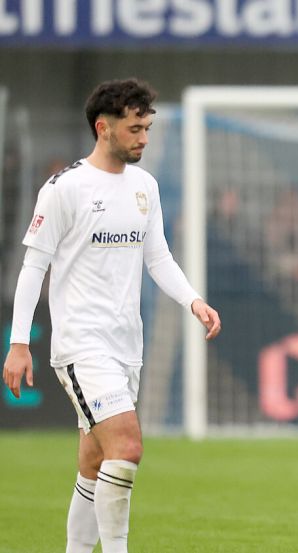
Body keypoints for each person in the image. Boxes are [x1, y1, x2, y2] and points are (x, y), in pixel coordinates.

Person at [2, 79, 222, 553]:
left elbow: (158, 257)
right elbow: (33, 266)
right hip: (82, 344)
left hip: (128, 345)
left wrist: (193, 300)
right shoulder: (65, 188)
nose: (144, 137)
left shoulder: (145, 186)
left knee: (95, 461)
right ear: (103, 128)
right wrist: (18, 345)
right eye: (135, 128)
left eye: (147, 127)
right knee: (128, 447)